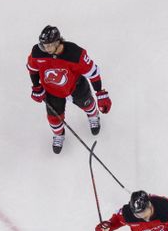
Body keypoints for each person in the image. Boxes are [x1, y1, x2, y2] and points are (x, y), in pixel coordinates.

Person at [27, 25, 112, 154]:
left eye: (49, 45)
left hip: (76, 87)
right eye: (44, 45)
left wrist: (100, 93)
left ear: (58, 42)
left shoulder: (75, 54)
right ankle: (59, 135)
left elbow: (93, 73)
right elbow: (33, 69)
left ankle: (93, 116)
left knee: (88, 105)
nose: (46, 48)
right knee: (54, 119)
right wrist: (36, 86)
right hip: (52, 91)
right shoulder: (37, 52)